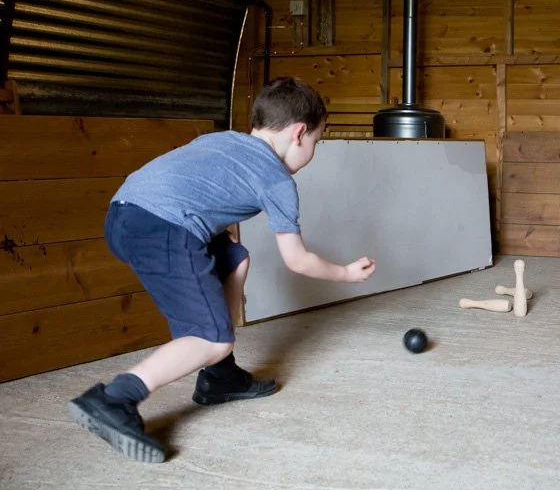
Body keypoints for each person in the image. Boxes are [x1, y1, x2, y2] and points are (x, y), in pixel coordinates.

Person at [67, 76, 377, 463]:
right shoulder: (277, 178)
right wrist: (347, 274)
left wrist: (214, 225)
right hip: (163, 227)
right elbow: (297, 259)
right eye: (317, 141)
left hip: (123, 213)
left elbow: (197, 181)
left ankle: (220, 377)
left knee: (235, 258)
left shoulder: (223, 140)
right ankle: (115, 398)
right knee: (212, 338)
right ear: (299, 134)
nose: (313, 150)